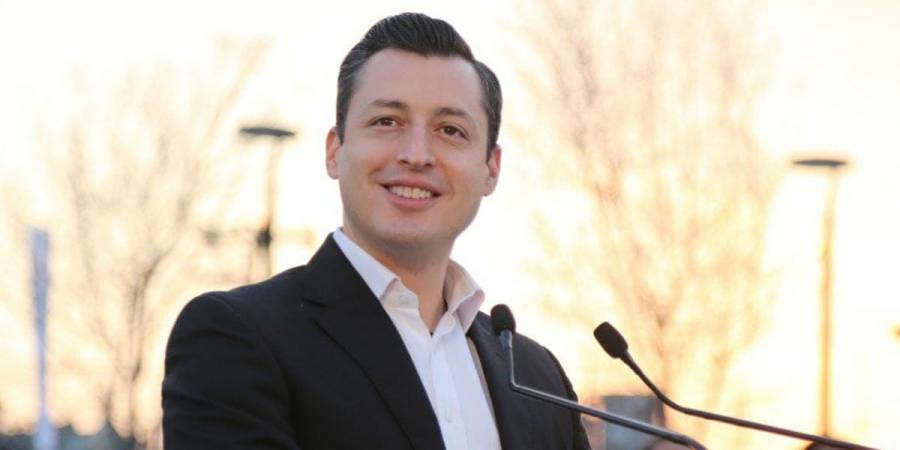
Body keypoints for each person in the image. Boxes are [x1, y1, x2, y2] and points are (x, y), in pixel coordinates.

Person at [162, 12, 590, 450]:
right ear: (335, 151)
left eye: (450, 130)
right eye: (387, 121)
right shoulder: (237, 337)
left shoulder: (540, 378)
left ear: (491, 169)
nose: (416, 155)